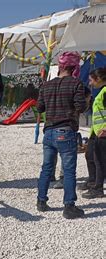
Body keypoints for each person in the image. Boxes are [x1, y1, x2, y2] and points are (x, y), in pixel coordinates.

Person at [36, 51, 87, 219]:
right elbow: (80, 107)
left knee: (46, 169)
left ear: (60, 66)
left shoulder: (46, 85)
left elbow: (40, 108)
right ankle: (69, 206)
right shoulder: (76, 84)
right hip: (66, 130)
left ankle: (41, 201)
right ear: (73, 68)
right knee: (69, 170)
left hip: (49, 131)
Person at [82, 67, 106, 199]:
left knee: (100, 161)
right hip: (95, 132)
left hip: (103, 133)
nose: (90, 83)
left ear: (99, 79)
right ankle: (93, 181)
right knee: (90, 156)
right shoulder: (101, 91)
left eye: (91, 80)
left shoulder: (105, 92)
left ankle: (98, 188)